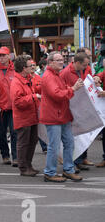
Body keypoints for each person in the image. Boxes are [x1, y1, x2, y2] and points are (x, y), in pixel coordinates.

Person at [40, 51, 83, 183]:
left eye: (62, 59)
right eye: (58, 60)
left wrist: (71, 88)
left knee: (69, 142)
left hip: (61, 115)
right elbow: (57, 94)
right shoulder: (49, 76)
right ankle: (49, 172)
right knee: (54, 146)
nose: (61, 61)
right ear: (50, 62)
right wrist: (73, 89)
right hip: (54, 116)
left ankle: (68, 169)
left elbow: (62, 90)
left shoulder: (56, 75)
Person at [60, 52, 93, 171]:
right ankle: (71, 162)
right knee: (72, 138)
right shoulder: (66, 73)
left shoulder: (82, 69)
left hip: (80, 106)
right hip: (71, 108)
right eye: (84, 65)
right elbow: (64, 90)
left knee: (81, 136)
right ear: (77, 63)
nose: (86, 67)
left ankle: (78, 160)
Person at [10, 55, 40, 176]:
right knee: (23, 143)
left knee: (32, 141)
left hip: (31, 116)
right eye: (30, 66)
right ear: (23, 68)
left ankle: (28, 164)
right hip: (23, 118)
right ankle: (23, 167)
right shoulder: (17, 82)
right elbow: (17, 102)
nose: (32, 67)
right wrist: (34, 97)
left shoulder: (27, 79)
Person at [0, 46, 17, 167]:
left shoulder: (15, 70)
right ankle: (5, 155)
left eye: (3, 55)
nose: (1, 57)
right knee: (1, 133)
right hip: (1, 108)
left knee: (14, 132)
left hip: (13, 106)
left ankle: (15, 156)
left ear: (9, 56)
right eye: (0, 55)